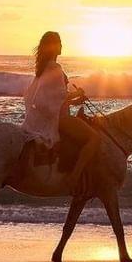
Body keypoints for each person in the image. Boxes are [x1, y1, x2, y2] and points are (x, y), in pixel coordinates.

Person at [22, 30, 101, 191]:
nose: (62, 46)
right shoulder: (55, 67)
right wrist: (77, 93)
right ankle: (74, 177)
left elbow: (54, 99)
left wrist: (76, 100)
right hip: (61, 119)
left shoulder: (43, 68)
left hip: (58, 114)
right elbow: (60, 95)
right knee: (94, 138)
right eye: (59, 43)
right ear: (54, 47)